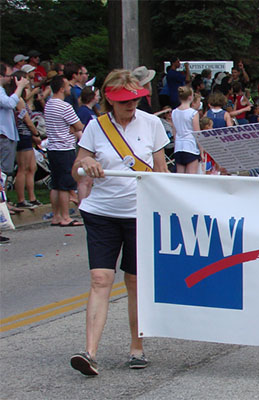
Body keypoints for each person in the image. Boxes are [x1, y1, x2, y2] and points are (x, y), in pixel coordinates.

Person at [69, 69, 170, 376]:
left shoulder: (152, 124)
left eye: (136, 99)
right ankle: (89, 352)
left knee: (135, 281)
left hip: (139, 212)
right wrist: (85, 163)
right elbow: (77, 169)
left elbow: (161, 170)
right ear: (109, 99)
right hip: (101, 212)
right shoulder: (95, 127)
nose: (131, 105)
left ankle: (136, 347)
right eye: (124, 100)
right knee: (100, 278)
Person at [44, 74, 84, 227]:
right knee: (65, 184)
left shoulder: (49, 104)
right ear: (61, 89)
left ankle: (56, 215)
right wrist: (72, 128)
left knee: (56, 183)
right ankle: (66, 217)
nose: (69, 88)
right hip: (64, 147)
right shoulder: (65, 106)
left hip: (53, 147)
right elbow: (79, 126)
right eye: (67, 86)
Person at [7, 71, 41, 208]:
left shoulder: (23, 99)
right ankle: (21, 199)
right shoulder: (18, 100)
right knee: (23, 168)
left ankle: (32, 197)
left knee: (32, 167)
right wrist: (35, 133)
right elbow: (26, 119)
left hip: (28, 136)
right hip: (23, 135)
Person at [1, 63, 28, 180]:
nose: (11, 78)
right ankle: (2, 198)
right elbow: (10, 103)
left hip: (6, 135)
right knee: (4, 172)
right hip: (4, 135)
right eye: (8, 75)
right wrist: (20, 87)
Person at [171, 86, 201, 174]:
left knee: (180, 176)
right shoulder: (193, 113)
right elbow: (197, 133)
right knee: (191, 177)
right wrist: (201, 150)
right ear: (190, 97)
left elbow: (174, 131)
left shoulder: (174, 112)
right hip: (190, 146)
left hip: (178, 146)